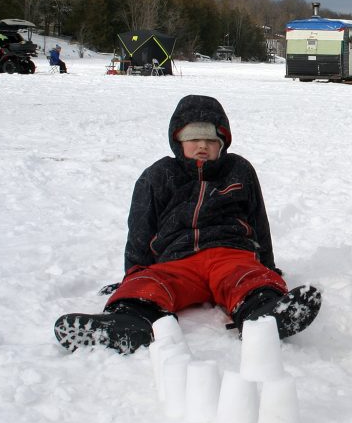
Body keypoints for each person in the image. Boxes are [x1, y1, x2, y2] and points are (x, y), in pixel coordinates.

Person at [54, 95, 322, 353]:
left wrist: (267, 265)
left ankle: (265, 313)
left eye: (210, 139)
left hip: (229, 253)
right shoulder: (159, 175)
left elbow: (258, 219)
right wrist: (134, 273)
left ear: (223, 143)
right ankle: (128, 322)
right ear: (178, 141)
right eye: (193, 138)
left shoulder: (238, 170)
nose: (202, 146)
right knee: (149, 283)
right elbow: (140, 227)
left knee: (248, 278)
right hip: (176, 261)